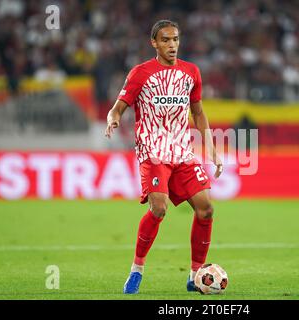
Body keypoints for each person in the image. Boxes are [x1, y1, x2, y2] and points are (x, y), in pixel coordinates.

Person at [104, 20, 223, 294]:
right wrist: (113, 120)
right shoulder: (140, 73)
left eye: (176, 39)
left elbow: (199, 112)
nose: (172, 45)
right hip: (153, 151)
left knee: (206, 208)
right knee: (159, 208)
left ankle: (195, 276)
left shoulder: (191, 72)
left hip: (182, 151)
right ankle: (137, 270)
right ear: (154, 43)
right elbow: (118, 107)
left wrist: (212, 149)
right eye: (166, 40)